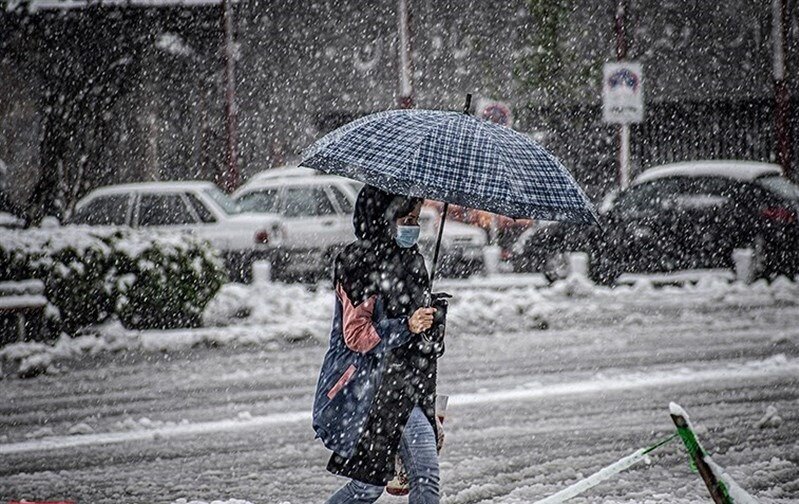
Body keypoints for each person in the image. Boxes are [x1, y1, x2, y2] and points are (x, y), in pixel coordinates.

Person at [312, 185, 445, 504]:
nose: (412, 225)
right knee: (366, 488)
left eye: (416, 216)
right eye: (406, 216)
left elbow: (421, 337)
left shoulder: (413, 261)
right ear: (383, 216)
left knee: (425, 478)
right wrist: (406, 325)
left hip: (408, 384)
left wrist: (432, 320)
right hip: (371, 390)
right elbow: (356, 335)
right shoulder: (358, 262)